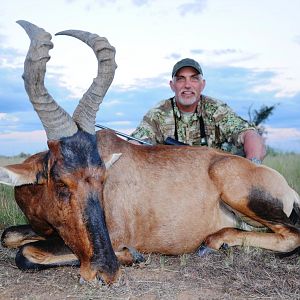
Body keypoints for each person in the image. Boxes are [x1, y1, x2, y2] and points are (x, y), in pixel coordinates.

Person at [131, 58, 266, 163]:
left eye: (194, 79)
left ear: (203, 85)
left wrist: (253, 166)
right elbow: (135, 143)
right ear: (172, 86)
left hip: (214, 179)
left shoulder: (216, 109)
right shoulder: (158, 114)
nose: (187, 85)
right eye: (180, 79)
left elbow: (250, 135)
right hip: (173, 181)